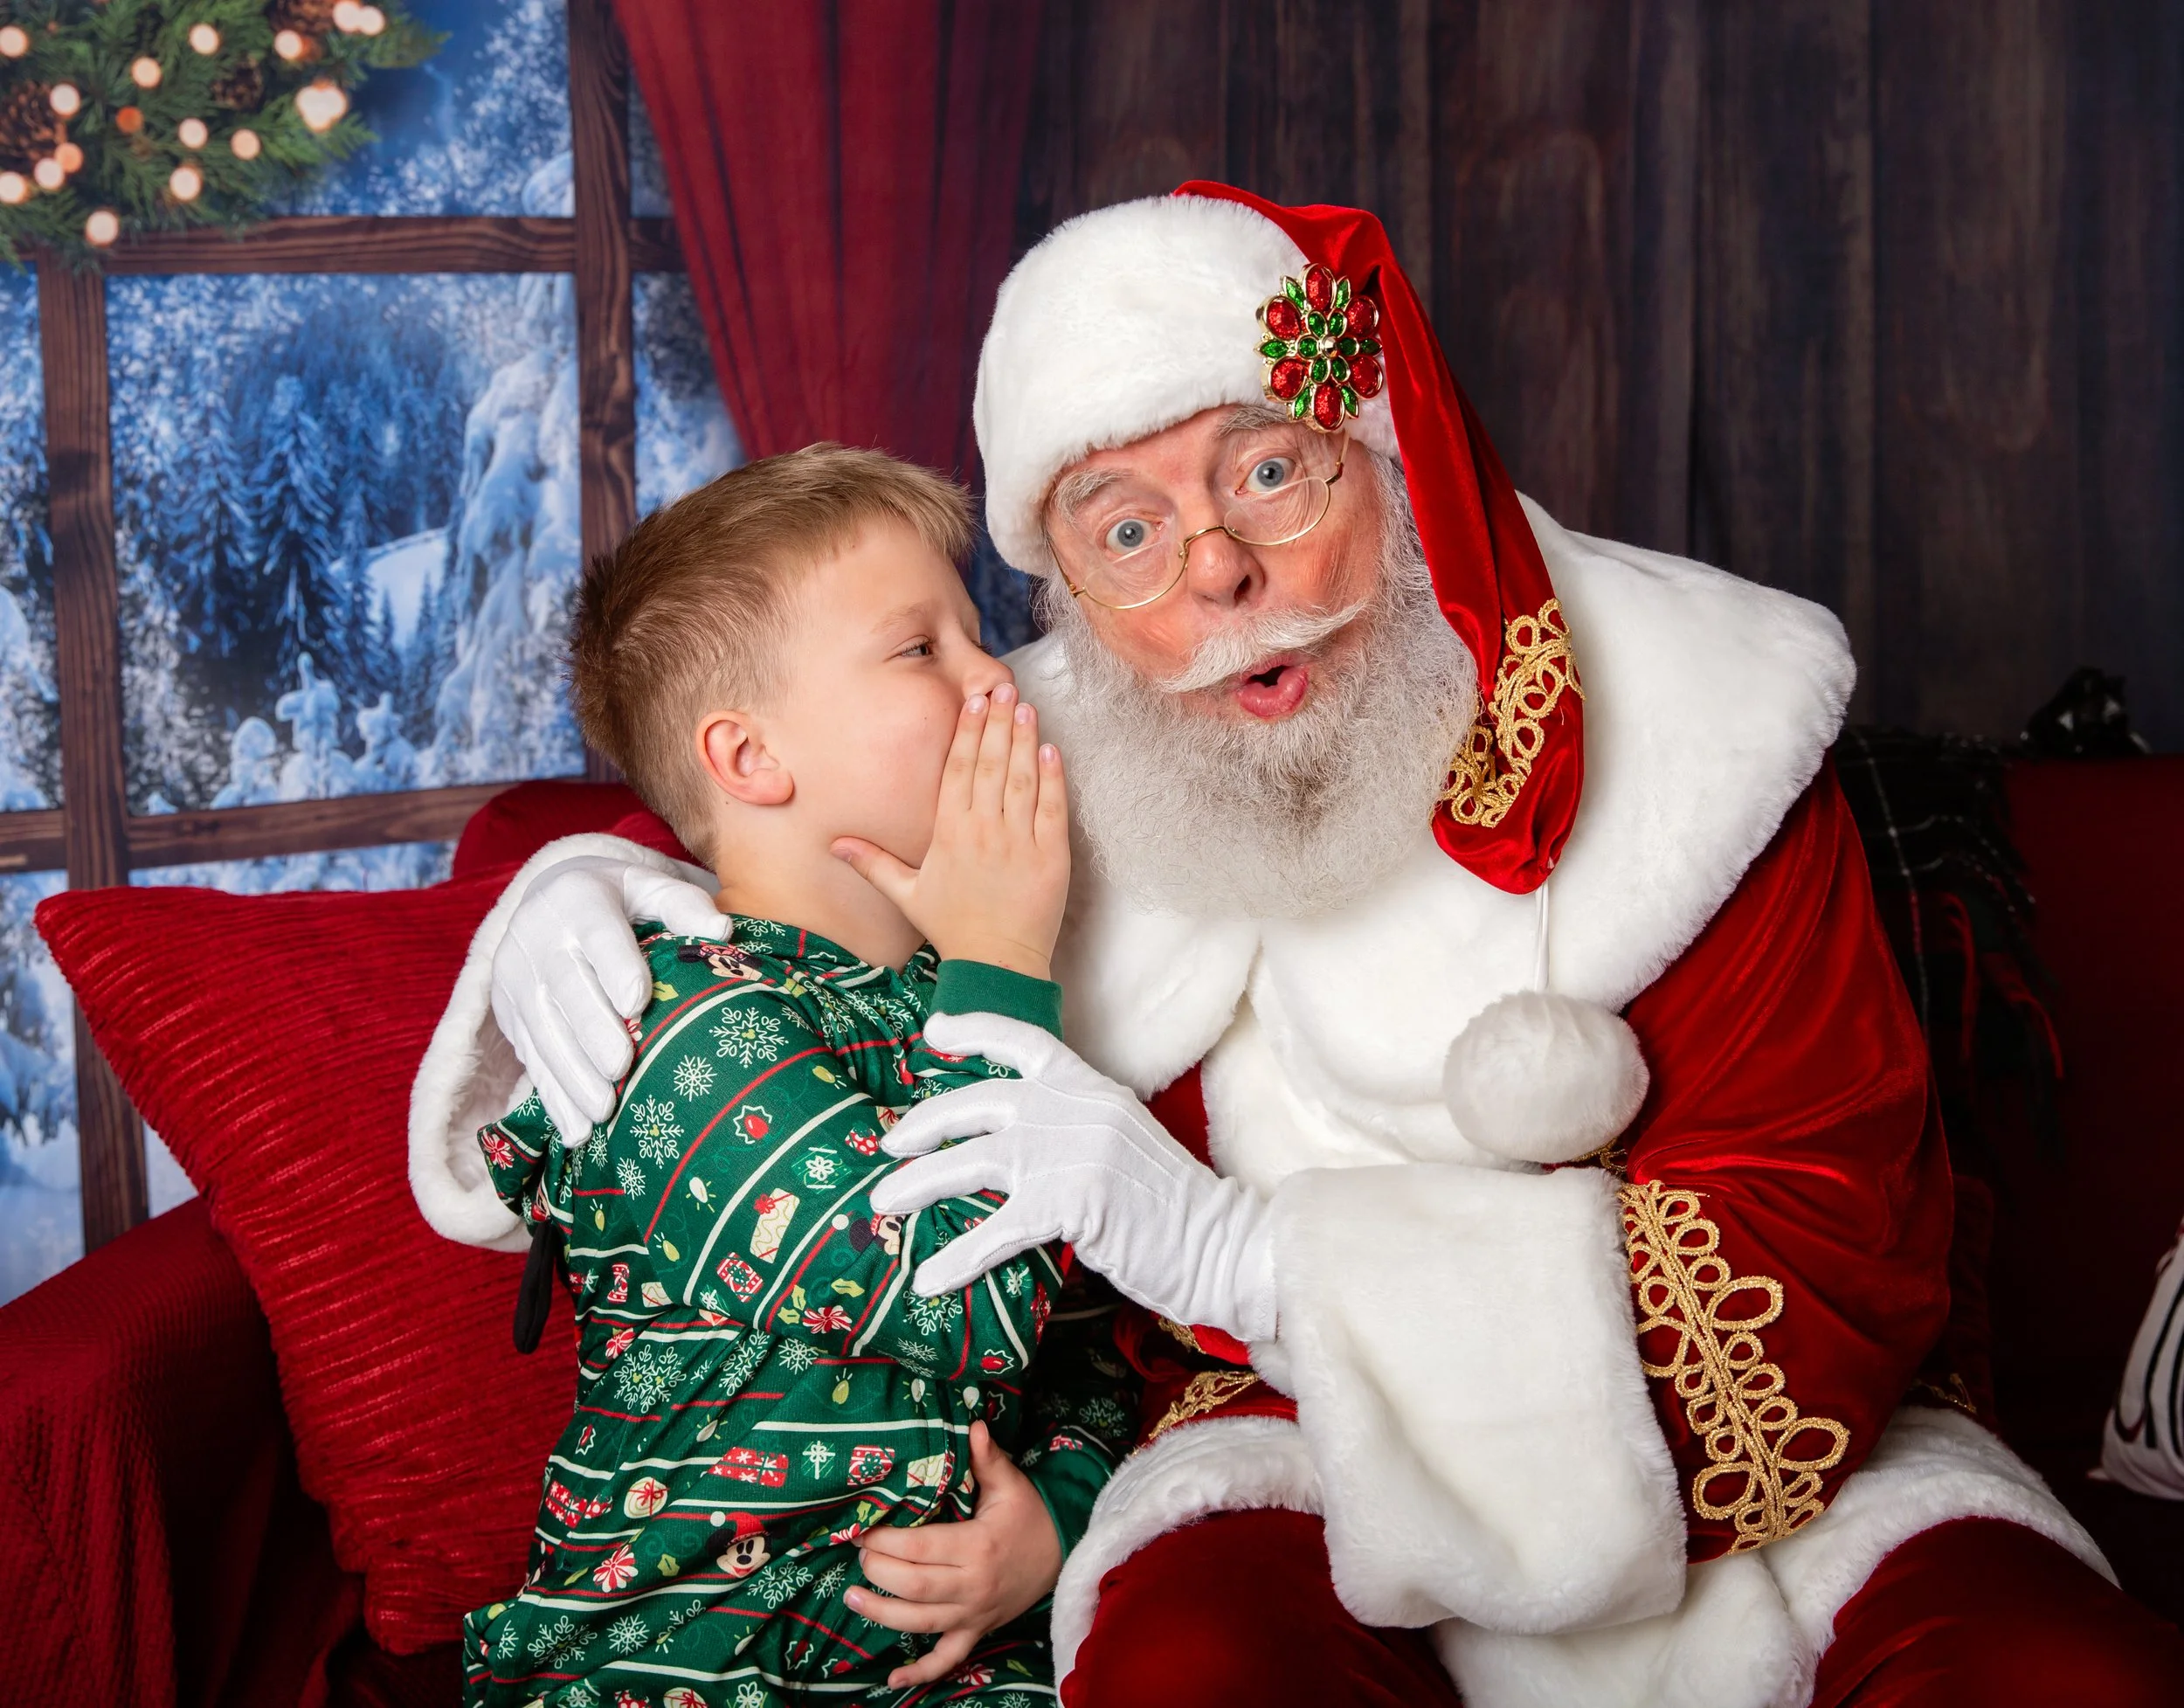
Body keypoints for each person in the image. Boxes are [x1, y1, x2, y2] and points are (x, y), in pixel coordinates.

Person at [414, 190, 2184, 1707]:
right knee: (1191, 1669)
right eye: (1123, 527)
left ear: (1386, 453)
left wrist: (1242, 1255)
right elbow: (778, 799)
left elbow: (1828, 1275)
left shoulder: (1704, 736)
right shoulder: (1039, 741)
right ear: (1068, 599)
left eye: (1268, 466)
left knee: (2061, 1680)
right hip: (1278, 1451)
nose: (1219, 571)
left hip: (1777, 1499)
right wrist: (591, 883)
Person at [443, 446, 1138, 1706]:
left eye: (979, 635)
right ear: (750, 758)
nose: (1000, 682)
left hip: (952, 1667)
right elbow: (952, 1303)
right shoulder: (670, 1024)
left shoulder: (969, 1000)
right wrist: (998, 961)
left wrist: (1058, 1517)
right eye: (922, 649)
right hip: (682, 1662)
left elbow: (1087, 1347)